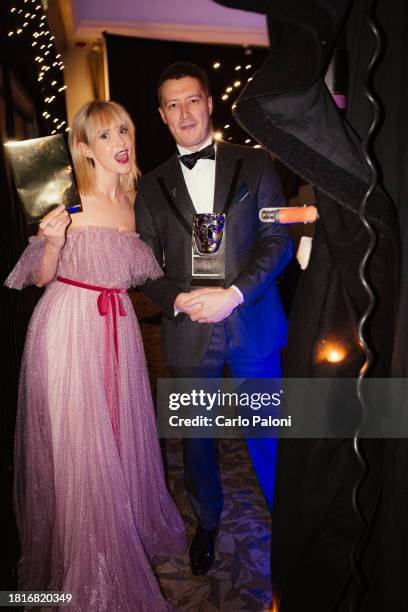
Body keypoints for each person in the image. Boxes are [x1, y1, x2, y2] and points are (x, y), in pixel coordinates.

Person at [5, 100, 186, 611]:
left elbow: (145, 273)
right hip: (67, 327)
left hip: (118, 328)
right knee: (80, 452)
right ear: (83, 148)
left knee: (116, 437)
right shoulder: (70, 199)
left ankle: (122, 532)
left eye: (124, 130)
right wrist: (49, 240)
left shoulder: (135, 201)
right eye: (105, 136)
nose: (120, 142)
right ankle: (88, 570)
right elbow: (39, 279)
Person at [136, 62, 292, 576]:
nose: (185, 111)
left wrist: (236, 293)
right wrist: (178, 301)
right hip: (187, 334)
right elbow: (145, 267)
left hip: (252, 323)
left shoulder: (256, 164)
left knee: (268, 433)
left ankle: (289, 522)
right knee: (196, 441)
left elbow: (277, 242)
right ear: (162, 114)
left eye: (193, 99)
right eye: (173, 104)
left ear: (209, 102)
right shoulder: (151, 186)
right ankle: (207, 523)